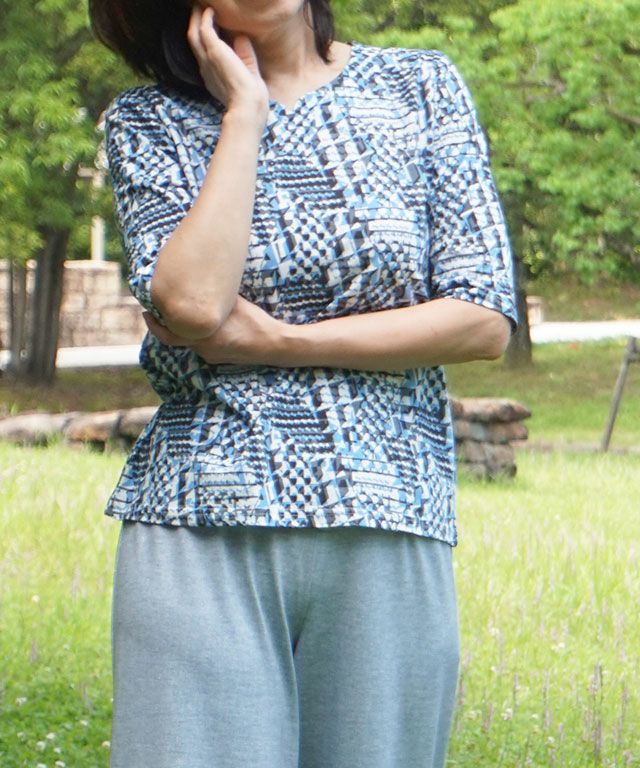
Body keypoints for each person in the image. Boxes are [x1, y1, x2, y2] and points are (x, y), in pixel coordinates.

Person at [89, 0, 518, 766]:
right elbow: (193, 305)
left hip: (385, 511)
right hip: (200, 519)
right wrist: (244, 117)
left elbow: (482, 317)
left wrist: (282, 341)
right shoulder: (148, 123)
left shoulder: (419, 87)